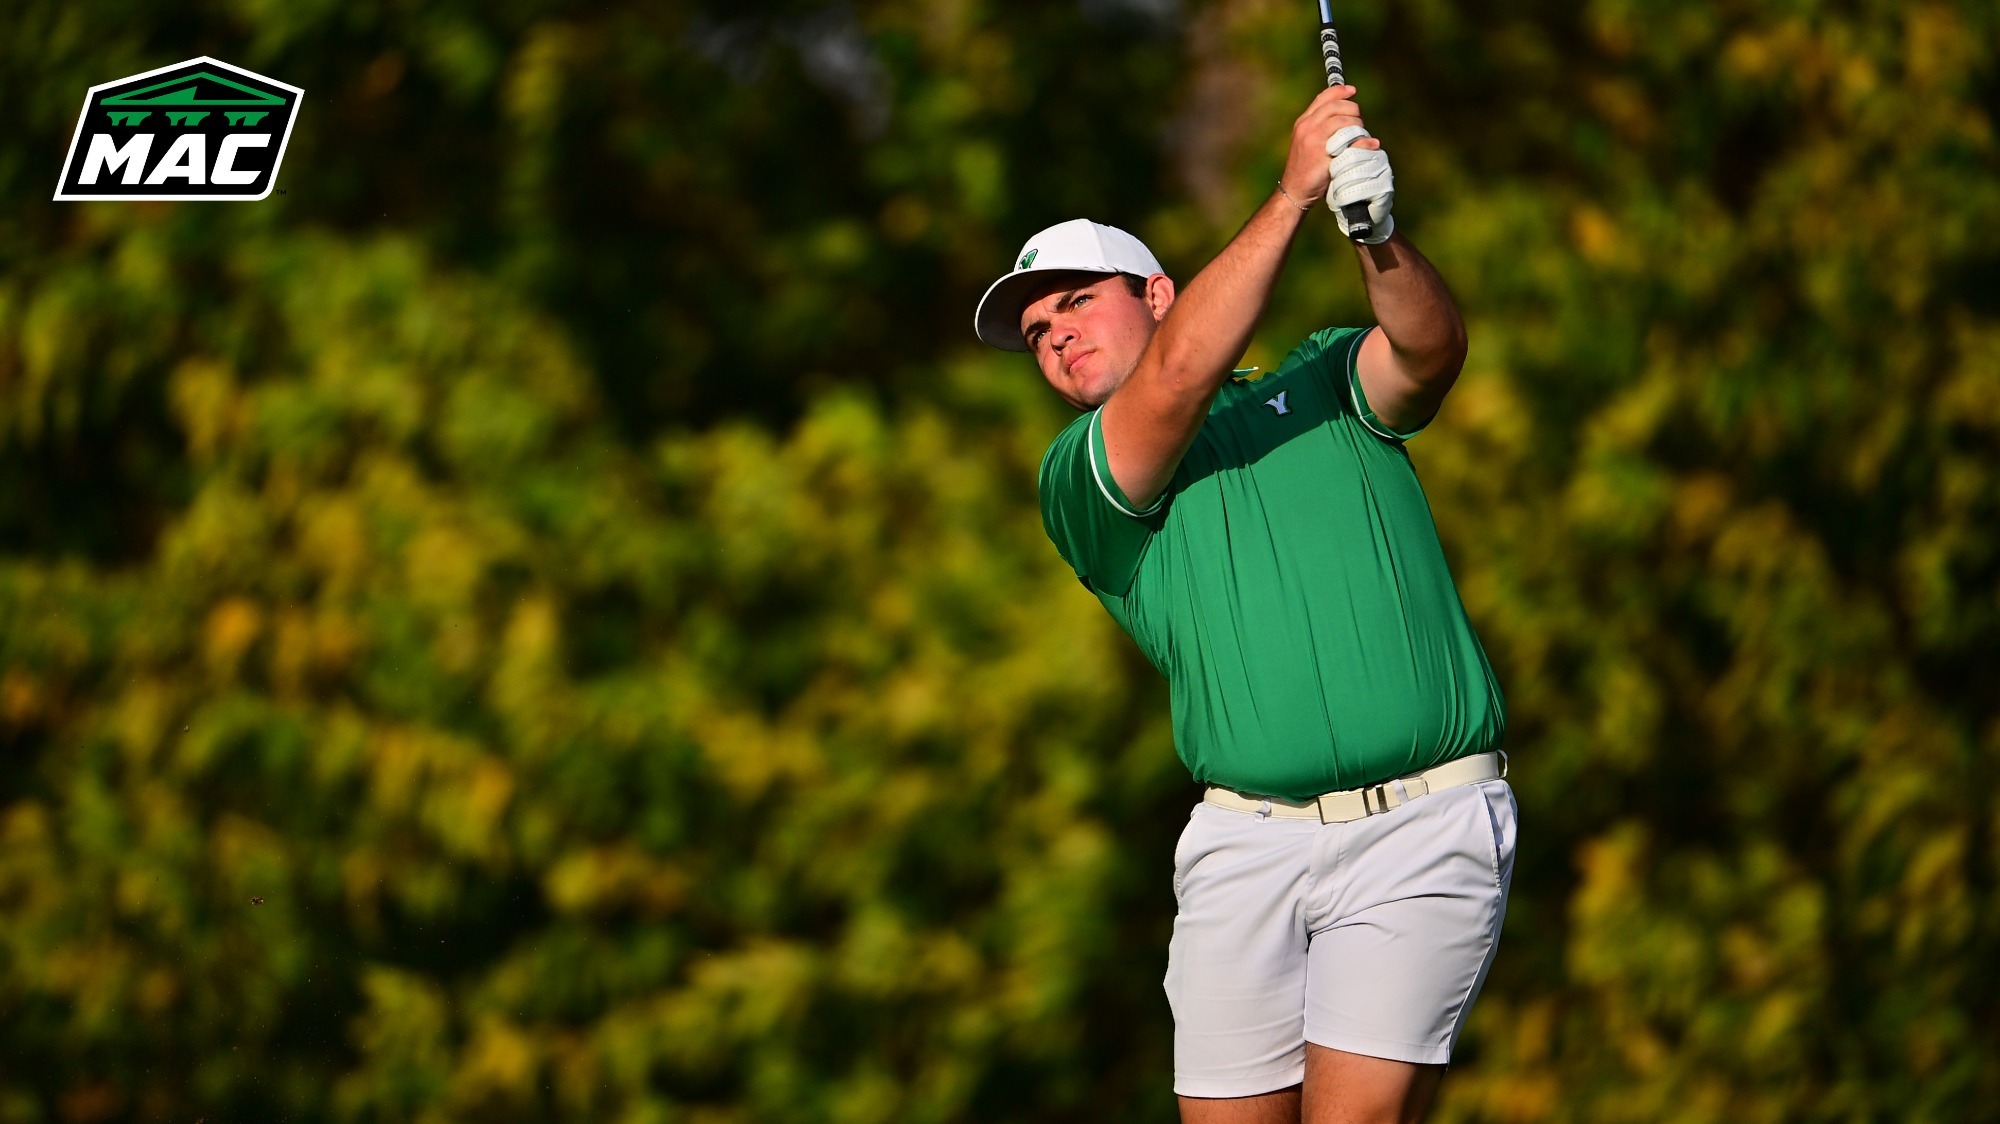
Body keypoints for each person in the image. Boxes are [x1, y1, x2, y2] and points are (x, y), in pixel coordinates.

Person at [971, 84, 1515, 1123]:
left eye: (1077, 302)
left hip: (1422, 819)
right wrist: (1287, 195)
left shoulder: (1317, 378)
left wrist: (1372, 230)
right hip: (1241, 845)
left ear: (1158, 290)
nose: (1055, 338)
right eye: (1037, 332)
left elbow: (1426, 350)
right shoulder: (1080, 478)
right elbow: (1175, 380)